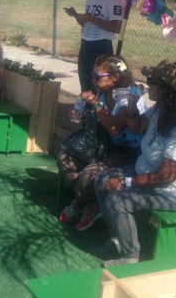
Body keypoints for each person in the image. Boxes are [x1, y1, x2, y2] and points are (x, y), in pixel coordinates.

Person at [92, 59, 176, 268]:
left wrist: (125, 182)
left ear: (167, 89)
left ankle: (130, 257)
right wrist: (132, 107)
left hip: (174, 192)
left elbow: (166, 176)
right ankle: (118, 238)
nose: (147, 85)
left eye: (152, 82)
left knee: (118, 200)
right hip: (149, 174)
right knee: (101, 179)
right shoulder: (161, 109)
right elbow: (137, 129)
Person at [57, 56, 146, 230]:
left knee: (87, 175)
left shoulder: (128, 98)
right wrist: (82, 113)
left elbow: (115, 129)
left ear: (116, 77)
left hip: (128, 153)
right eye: (93, 76)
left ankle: (78, 205)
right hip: (105, 148)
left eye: (98, 76)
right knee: (63, 158)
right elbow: (100, 123)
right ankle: (93, 202)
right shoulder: (104, 93)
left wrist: (96, 105)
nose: (93, 80)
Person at [65, 0, 125, 92]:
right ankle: (87, 111)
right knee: (86, 88)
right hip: (85, 46)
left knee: (100, 89)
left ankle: (98, 112)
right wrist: (76, 15)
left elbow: (116, 28)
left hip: (101, 47)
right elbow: (86, 25)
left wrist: (91, 18)